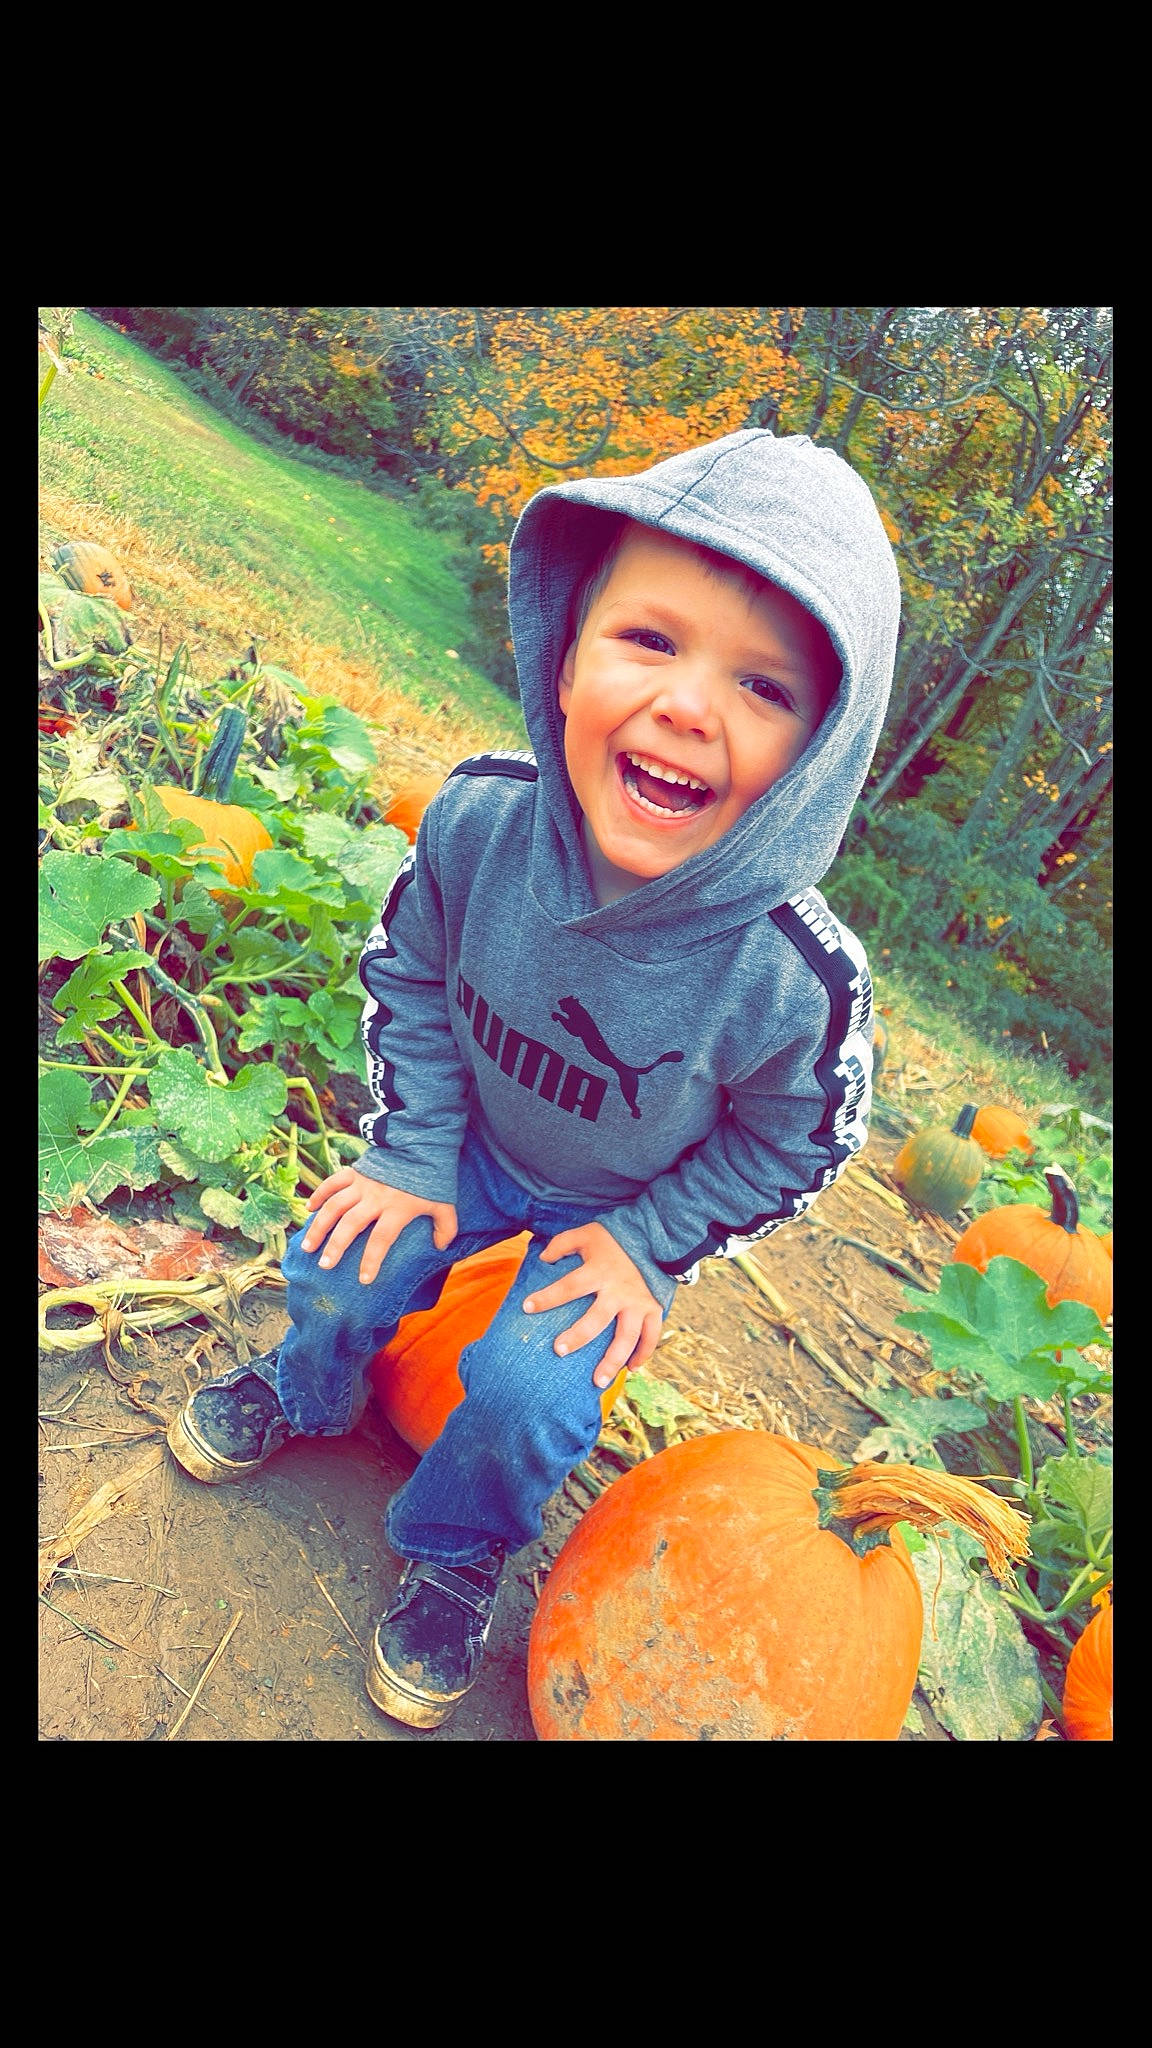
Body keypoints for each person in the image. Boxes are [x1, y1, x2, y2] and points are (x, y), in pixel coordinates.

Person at [166, 428, 902, 1730]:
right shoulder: (477, 820)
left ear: (820, 758)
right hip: (468, 1143)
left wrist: (651, 1243)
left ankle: (458, 1546)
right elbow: (410, 970)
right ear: (565, 653)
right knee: (343, 1258)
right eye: (651, 640)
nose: (690, 706)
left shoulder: (792, 979)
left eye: (764, 687)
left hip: (612, 1213)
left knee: (526, 1390)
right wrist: (412, 1151)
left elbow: (799, 1142)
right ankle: (307, 1385)